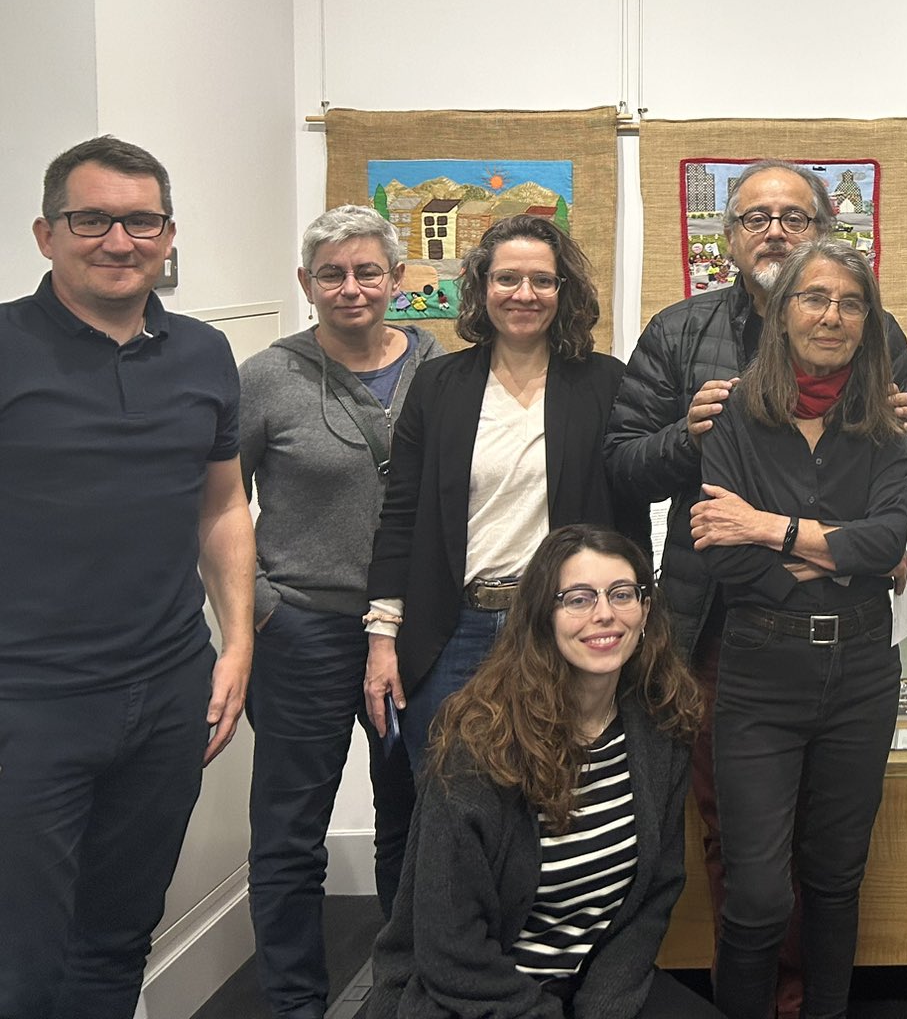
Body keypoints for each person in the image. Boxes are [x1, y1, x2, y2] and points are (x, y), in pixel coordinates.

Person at [606, 159, 907, 1017]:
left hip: (852, 644)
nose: (776, 231)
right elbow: (625, 467)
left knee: (828, 863)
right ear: (730, 237)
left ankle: (803, 1001)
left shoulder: (876, 333)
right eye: (757, 217)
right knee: (740, 849)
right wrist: (691, 436)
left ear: (824, 233)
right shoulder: (681, 334)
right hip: (722, 631)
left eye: (796, 216)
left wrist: (790, 534)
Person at [0, 136, 255, 1018]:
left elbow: (221, 507)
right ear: (45, 233)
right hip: (29, 703)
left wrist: (238, 643)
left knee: (115, 942)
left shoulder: (204, 353)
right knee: (22, 963)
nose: (118, 240)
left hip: (168, 692)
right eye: (92, 219)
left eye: (141, 221)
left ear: (168, 234)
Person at [683, 239, 907, 1019]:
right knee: (754, 891)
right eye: (815, 299)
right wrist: (831, 550)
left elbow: (886, 541)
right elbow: (718, 551)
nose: (833, 316)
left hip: (862, 672)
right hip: (759, 672)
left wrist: (769, 527)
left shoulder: (885, 421)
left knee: (835, 878)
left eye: (851, 303)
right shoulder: (734, 417)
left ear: (867, 322)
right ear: (782, 316)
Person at [364, 524, 711, 1019]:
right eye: (578, 598)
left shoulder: (661, 729)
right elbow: (450, 946)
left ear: (646, 609)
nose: (604, 614)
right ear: (542, 615)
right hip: (475, 995)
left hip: (594, 987)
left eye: (621, 594)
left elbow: (653, 898)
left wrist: (603, 1007)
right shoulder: (480, 742)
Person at [240, 206, 438, 1017]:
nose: (351, 288)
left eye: (367, 272)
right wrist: (258, 609)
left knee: (416, 818)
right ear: (306, 283)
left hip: (419, 632)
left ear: (397, 280)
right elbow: (213, 502)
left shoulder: (445, 370)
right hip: (305, 633)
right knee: (290, 835)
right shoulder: (265, 378)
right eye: (332, 274)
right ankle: (293, 1003)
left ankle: (402, 988)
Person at [366, 213, 645, 776]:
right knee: (449, 808)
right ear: (480, 286)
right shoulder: (439, 385)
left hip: (565, 627)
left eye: (543, 280)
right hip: (454, 632)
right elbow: (401, 516)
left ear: (563, 291)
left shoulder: (605, 384)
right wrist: (382, 638)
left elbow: (629, 519)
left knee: (559, 805)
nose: (525, 294)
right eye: (507, 279)